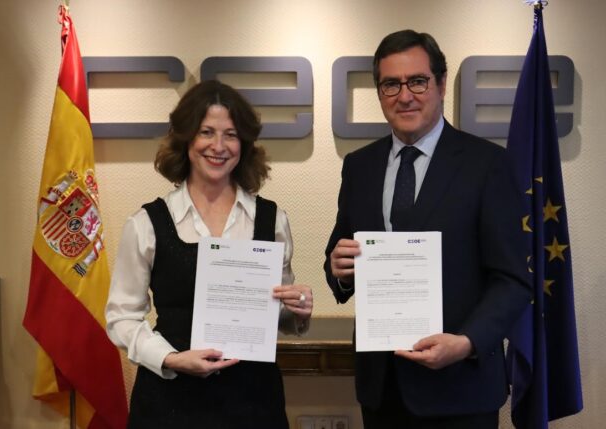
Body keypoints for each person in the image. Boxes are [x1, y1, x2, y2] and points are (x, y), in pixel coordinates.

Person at [324, 30, 531, 428]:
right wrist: (339, 269)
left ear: (440, 84)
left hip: (461, 388)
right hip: (382, 390)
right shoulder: (359, 166)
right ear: (379, 92)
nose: (405, 96)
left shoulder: (487, 164)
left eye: (417, 81)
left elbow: (512, 279)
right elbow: (341, 253)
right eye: (391, 84)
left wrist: (466, 343)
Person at [106, 80, 312, 429]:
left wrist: (298, 310)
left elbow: (278, 313)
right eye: (206, 132)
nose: (218, 146)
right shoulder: (146, 223)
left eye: (230, 135)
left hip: (253, 403)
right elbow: (121, 317)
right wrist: (171, 358)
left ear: (244, 143)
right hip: (170, 403)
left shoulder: (272, 219)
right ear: (186, 138)